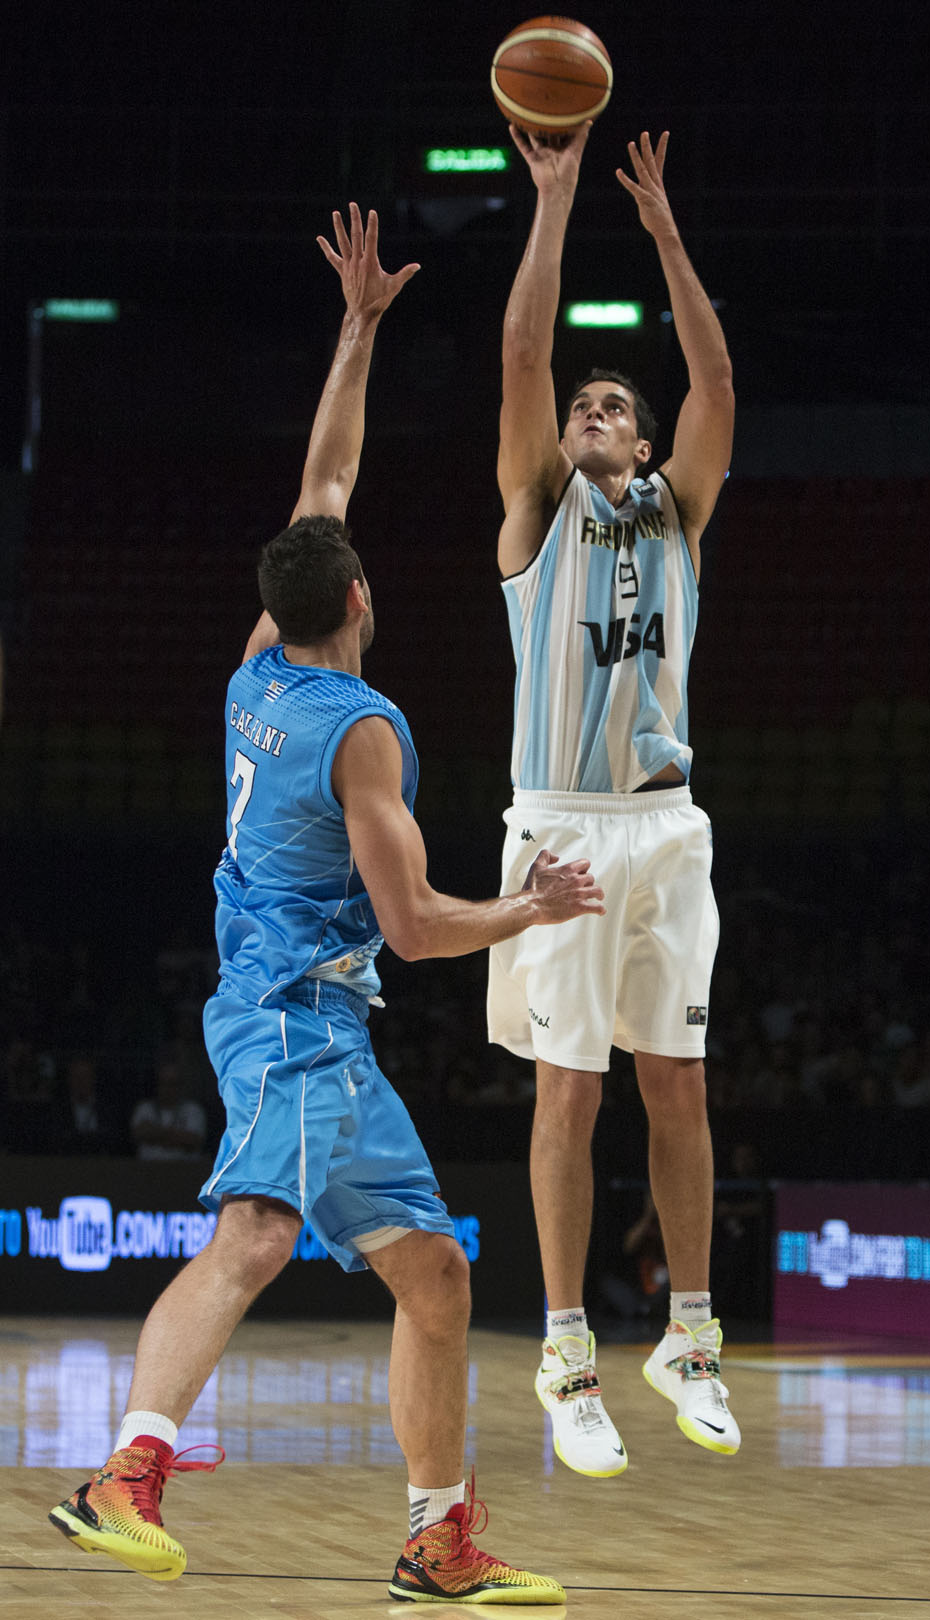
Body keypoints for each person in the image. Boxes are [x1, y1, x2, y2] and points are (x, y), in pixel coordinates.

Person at [49, 204, 604, 1604]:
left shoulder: (257, 671)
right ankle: (125, 1476)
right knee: (251, 1234)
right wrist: (532, 909)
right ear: (359, 595)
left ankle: (436, 1535)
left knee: (431, 1277)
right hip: (298, 1016)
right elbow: (414, 928)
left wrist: (358, 329)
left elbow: (325, 476)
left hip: (300, 1019)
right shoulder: (360, 726)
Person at [487, 121, 739, 1476]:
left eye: (613, 409)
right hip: (564, 826)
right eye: (582, 410)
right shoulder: (540, 512)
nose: (592, 415)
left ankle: (689, 1339)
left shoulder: (681, 518)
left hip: (667, 824)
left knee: (681, 1081)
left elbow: (714, 376)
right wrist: (560, 192)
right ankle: (568, 1347)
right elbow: (524, 354)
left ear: (644, 442)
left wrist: (665, 234)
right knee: (570, 1098)